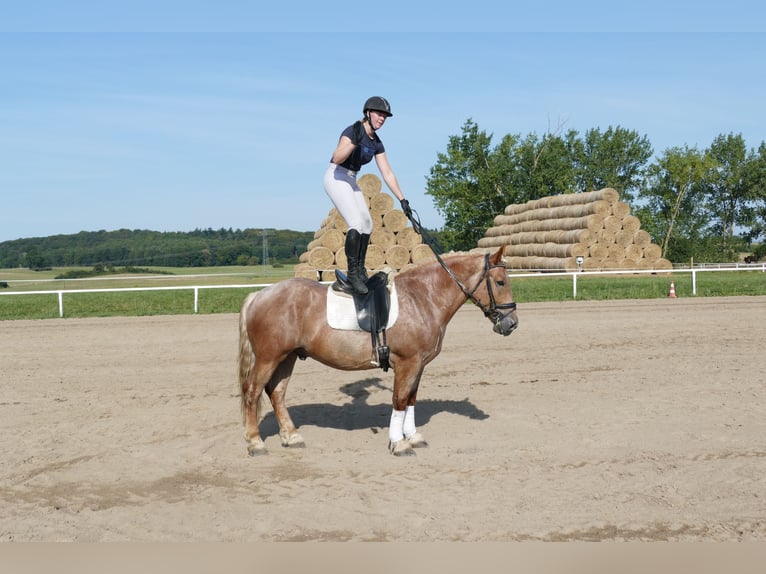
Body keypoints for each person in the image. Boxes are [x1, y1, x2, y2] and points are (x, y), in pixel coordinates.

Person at [324, 96, 412, 295]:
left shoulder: (377, 142)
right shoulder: (352, 131)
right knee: (356, 223)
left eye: (385, 116)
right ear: (367, 113)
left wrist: (402, 199)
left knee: (367, 223)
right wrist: (353, 142)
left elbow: (387, 173)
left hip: (351, 179)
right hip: (336, 176)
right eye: (379, 114)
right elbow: (337, 157)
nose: (382, 119)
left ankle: (361, 271)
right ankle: (353, 274)